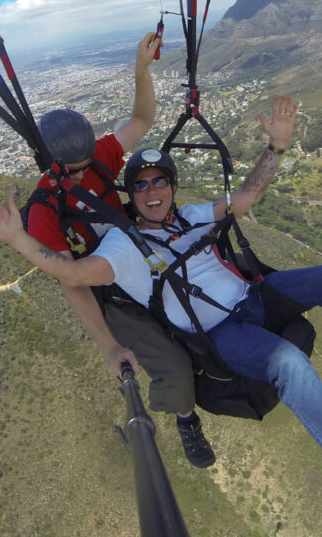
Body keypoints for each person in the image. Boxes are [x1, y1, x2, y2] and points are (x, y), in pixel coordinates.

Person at [0, 95, 322, 512]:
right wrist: (18, 238)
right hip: (221, 331)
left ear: (171, 188)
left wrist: (277, 146)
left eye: (160, 182)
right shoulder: (123, 248)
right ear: (132, 195)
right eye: (142, 185)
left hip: (255, 297)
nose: (152, 191)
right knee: (288, 364)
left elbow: (246, 198)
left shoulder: (189, 217)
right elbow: (72, 275)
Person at [23, 31, 216, 468]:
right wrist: (109, 345)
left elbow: (142, 120)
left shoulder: (97, 159)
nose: (79, 174)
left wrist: (141, 71)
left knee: (208, 324)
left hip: (144, 255)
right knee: (173, 362)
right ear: (50, 164)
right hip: (110, 290)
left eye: (83, 165)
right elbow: (71, 283)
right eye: (70, 171)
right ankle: (187, 418)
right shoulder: (44, 210)